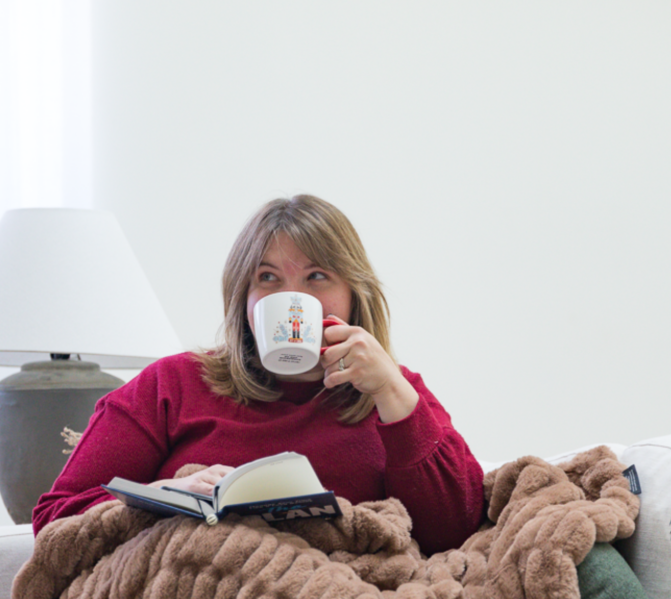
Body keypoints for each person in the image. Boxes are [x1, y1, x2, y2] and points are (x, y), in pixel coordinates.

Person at [32, 195, 484, 555]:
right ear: (244, 300)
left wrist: (391, 392)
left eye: (317, 276)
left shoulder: (396, 395)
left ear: (353, 295)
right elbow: (55, 521)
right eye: (267, 278)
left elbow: (456, 532)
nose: (292, 297)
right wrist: (163, 496)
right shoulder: (172, 386)